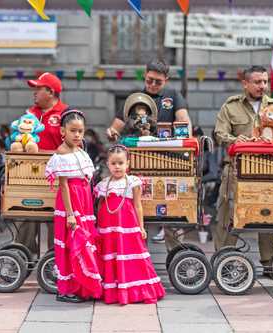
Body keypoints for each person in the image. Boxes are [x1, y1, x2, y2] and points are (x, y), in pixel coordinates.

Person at [214, 65, 273, 275]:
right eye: (257, 82)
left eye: (265, 82)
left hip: (270, 172)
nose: (262, 86)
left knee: (270, 215)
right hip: (236, 171)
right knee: (228, 213)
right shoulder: (231, 106)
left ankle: (270, 263)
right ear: (246, 83)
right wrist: (235, 139)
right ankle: (224, 260)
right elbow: (219, 134)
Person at [106, 60, 192, 248]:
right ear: (144, 75)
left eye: (158, 82)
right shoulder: (135, 98)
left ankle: (177, 253)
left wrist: (185, 134)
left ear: (166, 80)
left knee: (172, 209)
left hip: (167, 162)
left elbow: (184, 121)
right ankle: (133, 254)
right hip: (138, 161)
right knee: (135, 208)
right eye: (150, 80)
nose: (153, 85)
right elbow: (117, 125)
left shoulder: (173, 96)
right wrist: (112, 131)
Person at [94, 145, 165, 304]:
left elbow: (138, 205)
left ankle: (134, 290)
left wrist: (141, 227)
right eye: (113, 163)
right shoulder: (103, 184)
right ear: (108, 164)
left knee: (129, 255)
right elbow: (100, 206)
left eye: (121, 163)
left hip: (127, 226)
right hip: (108, 227)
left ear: (127, 164)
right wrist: (98, 226)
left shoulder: (133, 182)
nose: (117, 167)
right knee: (111, 256)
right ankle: (113, 291)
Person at [44, 109, 102, 303]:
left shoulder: (80, 150)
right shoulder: (61, 153)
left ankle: (82, 285)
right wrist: (70, 214)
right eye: (73, 131)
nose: (77, 135)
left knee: (84, 242)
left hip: (83, 200)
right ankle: (66, 288)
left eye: (80, 131)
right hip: (71, 201)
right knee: (72, 244)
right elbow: (64, 185)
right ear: (63, 131)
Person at [15, 72, 69, 256]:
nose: (34, 92)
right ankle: (23, 257)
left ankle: (55, 261)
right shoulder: (30, 114)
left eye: (38, 89)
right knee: (25, 215)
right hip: (29, 175)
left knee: (56, 220)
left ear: (51, 92)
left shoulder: (66, 113)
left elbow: (74, 144)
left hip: (56, 177)